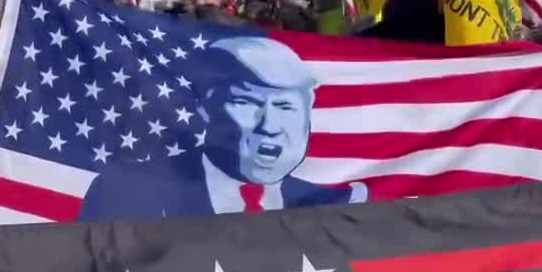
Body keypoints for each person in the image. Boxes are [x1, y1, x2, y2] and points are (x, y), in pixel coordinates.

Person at [77, 36, 367, 221]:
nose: (269, 127)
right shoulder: (128, 192)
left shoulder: (335, 206)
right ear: (207, 107)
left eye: (285, 107)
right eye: (246, 102)